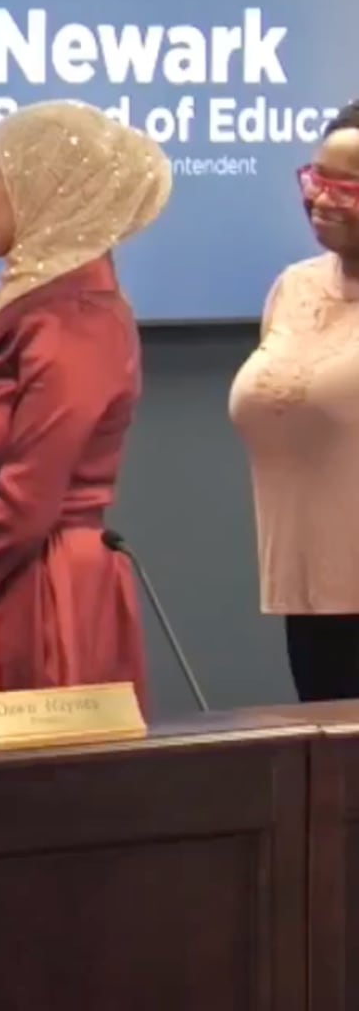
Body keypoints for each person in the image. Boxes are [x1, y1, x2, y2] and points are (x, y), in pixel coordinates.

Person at [0, 102, 169, 716]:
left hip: (46, 600)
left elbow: (28, 501)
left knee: (34, 799)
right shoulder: (26, 305)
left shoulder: (77, 320)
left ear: (48, 194)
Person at [233, 102, 359, 702]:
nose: (323, 199)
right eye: (316, 179)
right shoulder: (295, 285)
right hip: (310, 598)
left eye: (348, 187)